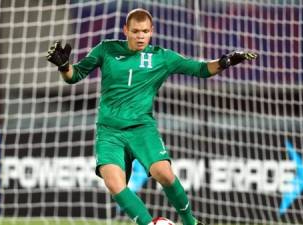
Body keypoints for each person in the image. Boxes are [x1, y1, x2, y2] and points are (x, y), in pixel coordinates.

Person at [47, 8, 257, 225]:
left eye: (145, 31)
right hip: (109, 131)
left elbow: (201, 69)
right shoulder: (106, 49)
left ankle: (190, 222)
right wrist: (64, 66)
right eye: (136, 31)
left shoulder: (162, 57)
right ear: (125, 30)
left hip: (142, 128)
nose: (140, 36)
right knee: (113, 183)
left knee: (164, 173)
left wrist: (226, 62)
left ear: (152, 31)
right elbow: (75, 75)